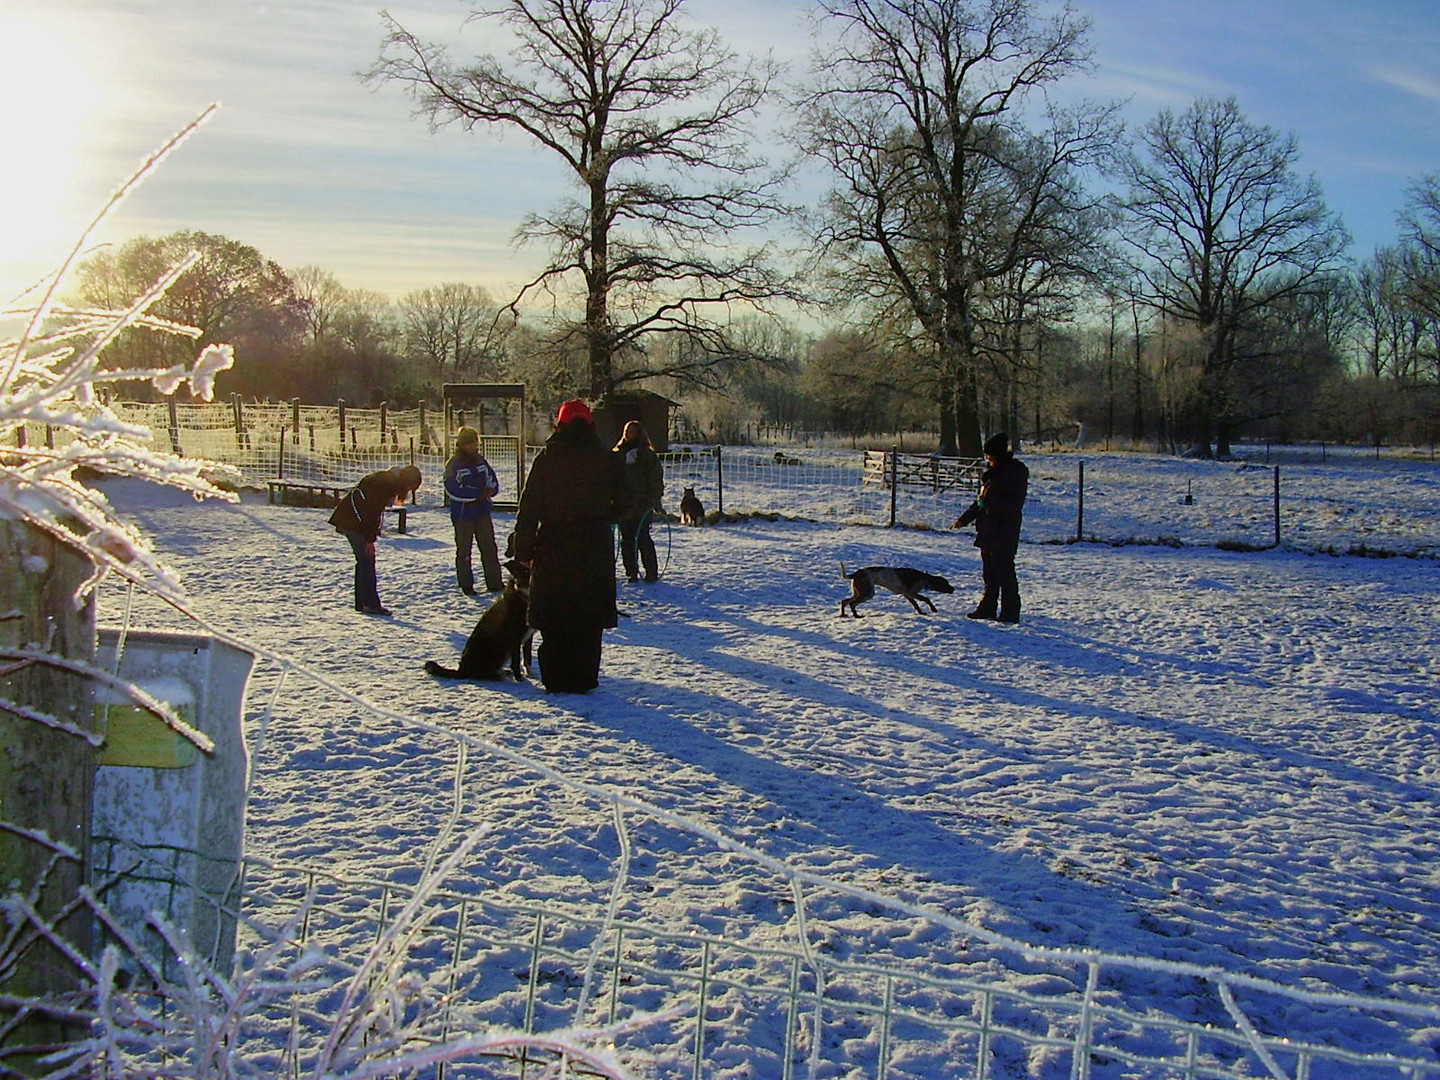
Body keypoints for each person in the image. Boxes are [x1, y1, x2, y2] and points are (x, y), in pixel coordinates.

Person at [512, 400, 626, 693]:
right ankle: (585, 676)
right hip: (594, 545)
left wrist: (523, 552)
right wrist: (605, 517)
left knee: (555, 612)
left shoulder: (548, 458)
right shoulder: (606, 457)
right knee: (588, 615)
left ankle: (556, 676)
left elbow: (529, 508)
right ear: (590, 425)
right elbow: (626, 501)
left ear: (559, 425)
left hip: (555, 545)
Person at [952, 433, 1028, 623]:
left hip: (1004, 531)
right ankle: (988, 608)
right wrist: (964, 519)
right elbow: (980, 503)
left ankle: (1010, 611)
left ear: (1000, 455)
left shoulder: (1015, 473)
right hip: (988, 530)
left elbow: (1013, 504)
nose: (988, 460)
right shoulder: (993, 474)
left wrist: (988, 501)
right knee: (990, 574)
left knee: (1005, 573)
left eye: (991, 457)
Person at [329, 464, 422, 616]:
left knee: (364, 561)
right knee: (367, 560)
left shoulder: (387, 480)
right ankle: (370, 604)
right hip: (353, 522)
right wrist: (369, 540)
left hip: (352, 520)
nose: (409, 491)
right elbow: (370, 512)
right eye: (411, 486)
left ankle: (363, 603)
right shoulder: (385, 484)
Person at [443, 426, 502, 595]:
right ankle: (466, 584)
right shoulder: (453, 464)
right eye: (471, 443)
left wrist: (491, 490)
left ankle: (494, 582)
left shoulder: (480, 461)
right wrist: (478, 494)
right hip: (463, 515)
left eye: (475, 443)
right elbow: (452, 489)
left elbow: (492, 479)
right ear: (462, 444)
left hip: (483, 512)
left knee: (489, 548)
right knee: (464, 550)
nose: (474, 447)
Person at [613, 419, 664, 583]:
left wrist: (655, 499)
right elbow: (610, 477)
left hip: (642, 504)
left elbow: (656, 479)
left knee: (643, 538)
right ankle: (631, 572)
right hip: (622, 505)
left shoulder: (648, 456)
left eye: (633, 431)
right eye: (628, 431)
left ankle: (651, 572)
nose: (630, 435)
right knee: (626, 541)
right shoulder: (617, 454)